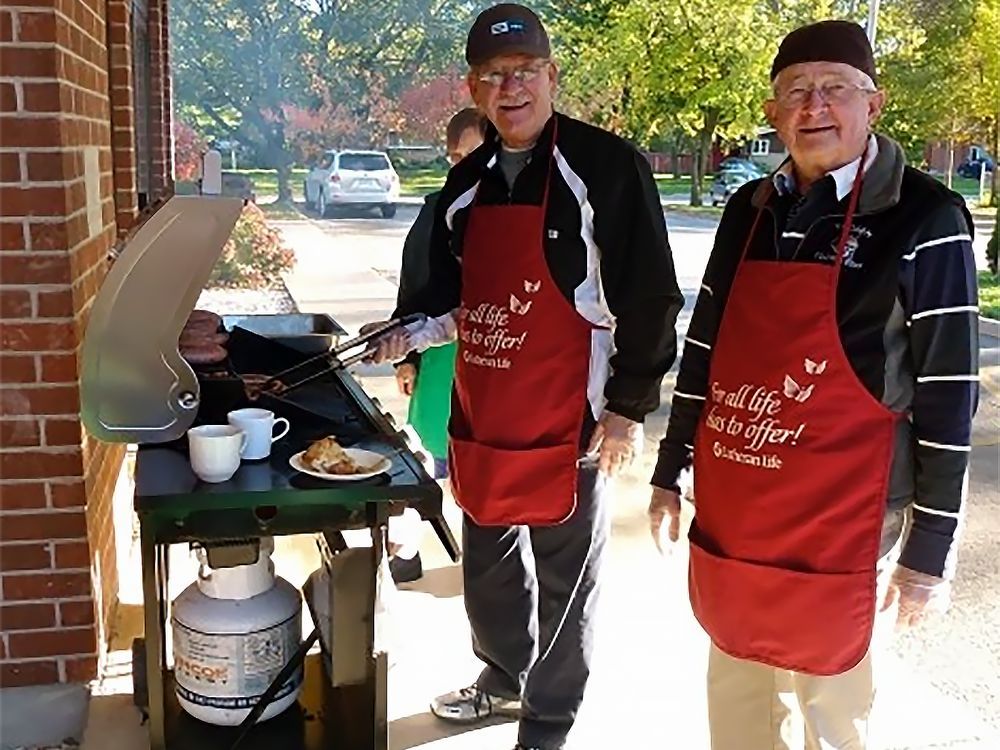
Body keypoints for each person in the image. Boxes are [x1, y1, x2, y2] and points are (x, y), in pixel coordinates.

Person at [648, 20, 978, 750]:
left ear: (874, 104)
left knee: (834, 703)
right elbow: (705, 344)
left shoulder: (927, 217)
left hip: (849, 513)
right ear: (772, 112)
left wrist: (931, 547)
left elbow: (950, 390)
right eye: (795, 91)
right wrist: (670, 468)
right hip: (738, 500)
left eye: (835, 88)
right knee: (737, 691)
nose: (814, 105)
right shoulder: (750, 210)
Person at [372, 4, 683, 748]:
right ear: (474, 89)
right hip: (484, 409)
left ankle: (547, 722)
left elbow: (650, 296)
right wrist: (404, 334)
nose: (511, 88)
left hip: (571, 416)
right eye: (492, 76)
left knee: (566, 578)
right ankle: (503, 676)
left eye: (525, 72)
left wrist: (626, 409)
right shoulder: (467, 184)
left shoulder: (605, 167)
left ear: (551, 76)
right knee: (488, 564)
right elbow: (450, 300)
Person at [384, 108, 488, 585]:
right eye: (455, 156)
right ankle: (403, 548)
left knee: (483, 463)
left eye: (473, 154)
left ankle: (486, 558)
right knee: (426, 455)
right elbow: (415, 285)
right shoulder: (437, 210)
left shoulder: (514, 208)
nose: (462, 165)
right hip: (440, 353)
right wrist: (406, 354)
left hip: (494, 363)